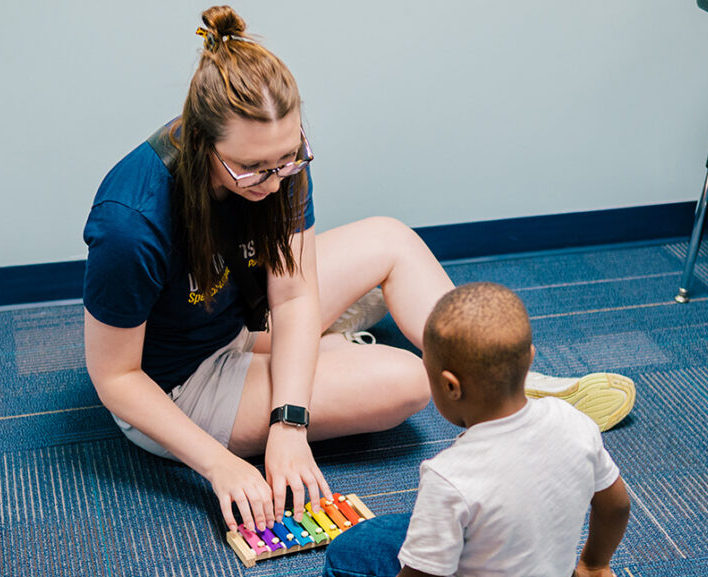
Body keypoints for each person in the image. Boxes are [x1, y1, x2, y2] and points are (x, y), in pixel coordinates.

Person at [82, 5, 635, 538]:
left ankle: (505, 387)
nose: (274, 183)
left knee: (390, 239)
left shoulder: (277, 158)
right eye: (251, 170)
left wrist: (289, 421)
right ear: (201, 140)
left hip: (239, 316)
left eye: (287, 160)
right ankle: (343, 350)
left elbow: (294, 295)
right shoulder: (131, 224)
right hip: (181, 382)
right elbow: (117, 379)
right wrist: (221, 465)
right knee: (409, 381)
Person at [323, 282, 631, 577]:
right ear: (531, 358)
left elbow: (423, 574)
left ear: (450, 386)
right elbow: (617, 505)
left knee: (350, 550)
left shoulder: (449, 477)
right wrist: (593, 565)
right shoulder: (574, 422)